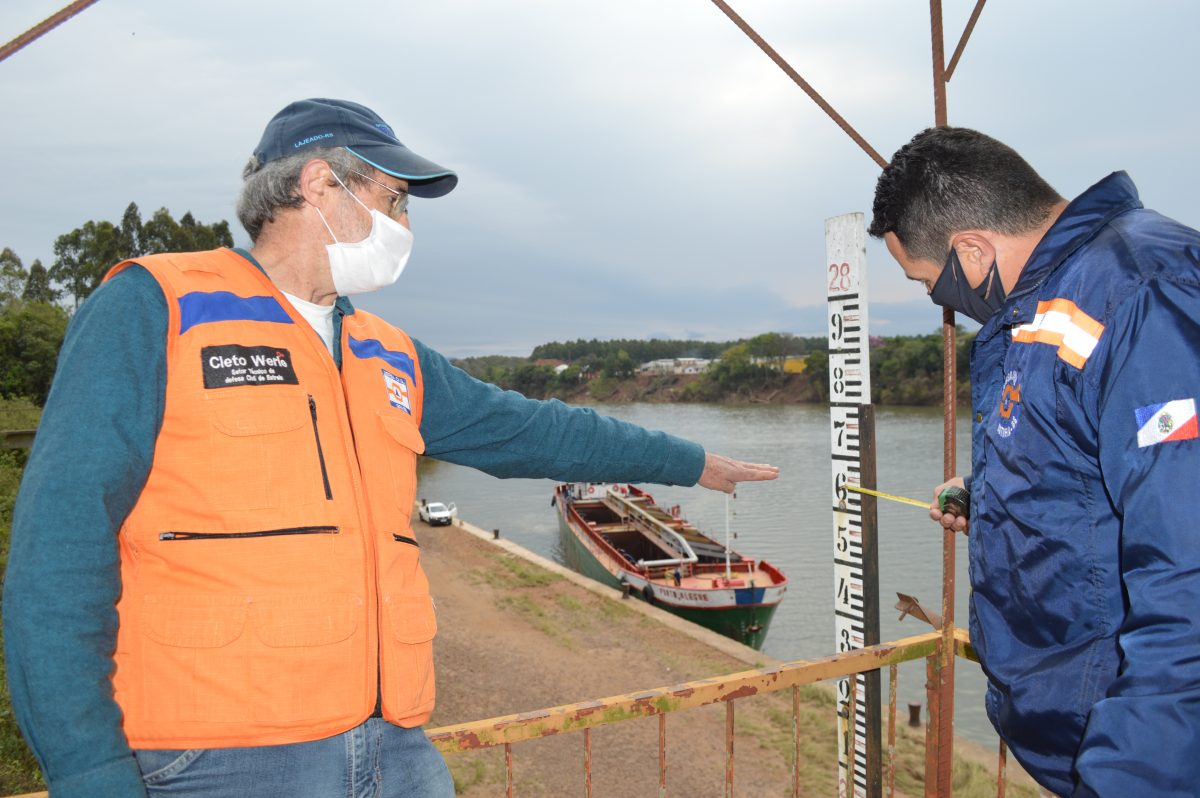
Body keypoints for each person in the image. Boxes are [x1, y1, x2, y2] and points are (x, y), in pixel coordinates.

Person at [2, 98, 779, 798]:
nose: (404, 225)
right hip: (219, 759)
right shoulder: (154, 306)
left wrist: (691, 462)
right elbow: (57, 554)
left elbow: (537, 430)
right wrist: (89, 772)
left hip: (392, 746)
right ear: (318, 185)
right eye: (394, 199)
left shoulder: (387, 352)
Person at [869, 126, 1200, 797]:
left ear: (972, 249)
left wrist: (1130, 776)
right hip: (1075, 732)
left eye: (929, 283)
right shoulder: (1049, 307)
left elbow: (1187, 569)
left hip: (1132, 750)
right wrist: (990, 493)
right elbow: (1093, 462)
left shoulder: (1142, 297)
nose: (938, 301)